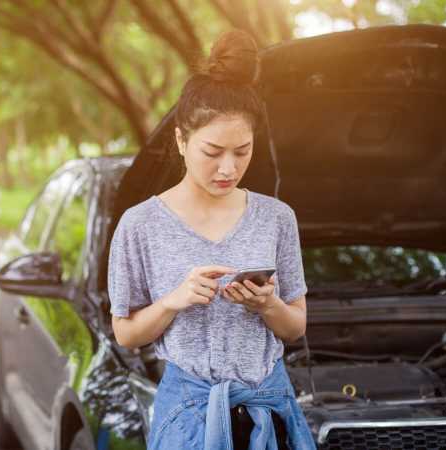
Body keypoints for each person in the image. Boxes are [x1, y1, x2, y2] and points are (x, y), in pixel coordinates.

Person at [107, 30, 317, 450]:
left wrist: (267, 304)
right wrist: (172, 300)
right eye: (213, 151)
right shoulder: (141, 224)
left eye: (242, 151)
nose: (228, 167)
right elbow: (125, 333)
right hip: (188, 418)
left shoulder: (277, 217)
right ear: (181, 141)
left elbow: (296, 326)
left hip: (269, 413)